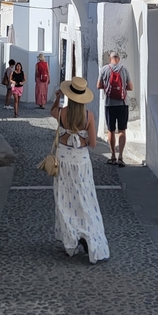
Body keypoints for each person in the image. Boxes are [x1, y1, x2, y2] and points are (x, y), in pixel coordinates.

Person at [50, 77, 109, 264]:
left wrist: (57, 98)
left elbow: (52, 110)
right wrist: (80, 138)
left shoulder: (62, 113)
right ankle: (89, 234)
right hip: (81, 162)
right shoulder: (88, 116)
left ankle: (70, 238)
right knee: (85, 199)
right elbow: (92, 144)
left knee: (64, 199)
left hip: (64, 159)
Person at [97, 51, 133, 166]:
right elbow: (131, 87)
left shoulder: (104, 69)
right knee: (122, 130)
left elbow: (98, 86)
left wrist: (107, 86)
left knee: (111, 131)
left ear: (110, 58)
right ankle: (121, 157)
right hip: (123, 104)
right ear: (118, 59)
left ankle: (112, 157)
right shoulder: (124, 69)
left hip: (109, 104)